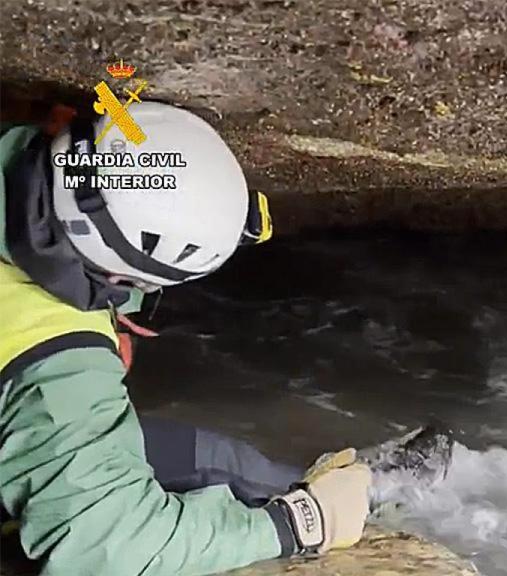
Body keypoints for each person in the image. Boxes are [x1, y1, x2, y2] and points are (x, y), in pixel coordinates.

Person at [0, 102, 374, 575]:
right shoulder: (58, 365)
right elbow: (108, 546)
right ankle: (357, 501)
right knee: (223, 467)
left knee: (222, 460)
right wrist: (296, 525)